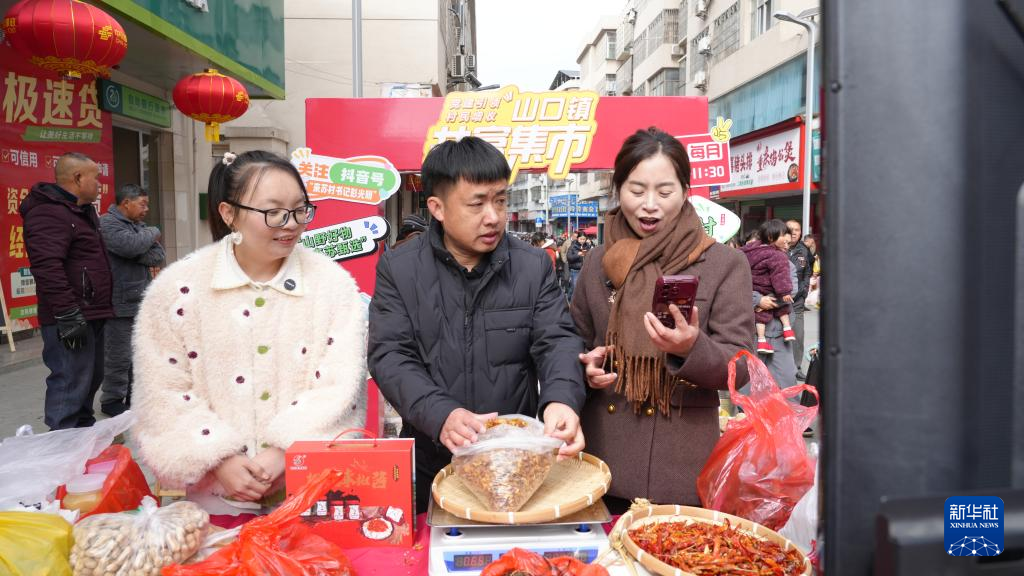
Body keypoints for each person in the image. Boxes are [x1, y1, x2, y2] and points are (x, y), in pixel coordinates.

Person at [132, 151, 367, 515]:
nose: (291, 224)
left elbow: (340, 384)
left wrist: (287, 450)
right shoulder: (177, 290)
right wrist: (219, 458)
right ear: (229, 213)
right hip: (215, 498)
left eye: (300, 210)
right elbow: (163, 390)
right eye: (274, 212)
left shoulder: (333, 286)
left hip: (311, 491)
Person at [368, 137, 586, 512]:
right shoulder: (400, 269)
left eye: (500, 200)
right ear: (437, 207)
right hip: (435, 459)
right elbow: (390, 355)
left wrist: (561, 401)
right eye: (477, 203)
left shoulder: (532, 266)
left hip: (517, 462)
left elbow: (557, 341)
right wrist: (440, 414)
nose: (494, 217)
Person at [571, 127, 753, 510]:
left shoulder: (724, 263)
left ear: (685, 191)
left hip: (681, 463)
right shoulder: (596, 262)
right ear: (618, 189)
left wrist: (692, 348)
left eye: (664, 192)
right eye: (636, 191)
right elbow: (573, 341)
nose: (649, 205)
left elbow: (742, 366)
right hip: (603, 457)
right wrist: (585, 366)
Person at [20, 153, 113, 430]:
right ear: (78, 178)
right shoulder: (48, 213)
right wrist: (68, 314)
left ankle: (83, 436)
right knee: (70, 382)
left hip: (92, 311)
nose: (99, 184)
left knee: (90, 378)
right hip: (70, 316)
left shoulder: (81, 212)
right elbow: (47, 267)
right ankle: (61, 442)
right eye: (95, 178)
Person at [98, 184, 164, 417]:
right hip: (118, 301)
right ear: (126, 203)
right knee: (118, 355)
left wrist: (137, 249)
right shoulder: (107, 223)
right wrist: (153, 232)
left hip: (139, 299)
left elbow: (158, 255)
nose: (146, 209)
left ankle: (132, 395)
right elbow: (129, 246)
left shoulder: (137, 227)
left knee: (138, 353)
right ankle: (111, 399)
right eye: (142, 204)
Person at [741, 219, 797, 354]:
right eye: (783, 238)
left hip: (776, 333)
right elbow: (736, 287)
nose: (786, 244)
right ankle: (785, 329)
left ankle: (766, 338)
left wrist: (764, 302)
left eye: (788, 243)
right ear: (771, 238)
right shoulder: (778, 257)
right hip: (755, 328)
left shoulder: (746, 254)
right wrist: (758, 301)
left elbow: (793, 290)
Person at [786, 220, 815, 375]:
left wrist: (803, 292)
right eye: (790, 229)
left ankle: (796, 367)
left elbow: (808, 272)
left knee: (798, 336)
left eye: (797, 229)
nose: (794, 232)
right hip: (779, 301)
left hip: (797, 301)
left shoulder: (803, 250)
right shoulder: (777, 247)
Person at [566, 231, 593, 300]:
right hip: (575, 270)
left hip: (585, 269)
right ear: (577, 238)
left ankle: (578, 301)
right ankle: (570, 300)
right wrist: (578, 255)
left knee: (584, 287)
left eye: (584, 239)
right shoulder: (572, 246)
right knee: (575, 287)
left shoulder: (588, 246)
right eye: (581, 239)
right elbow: (569, 258)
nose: (582, 241)